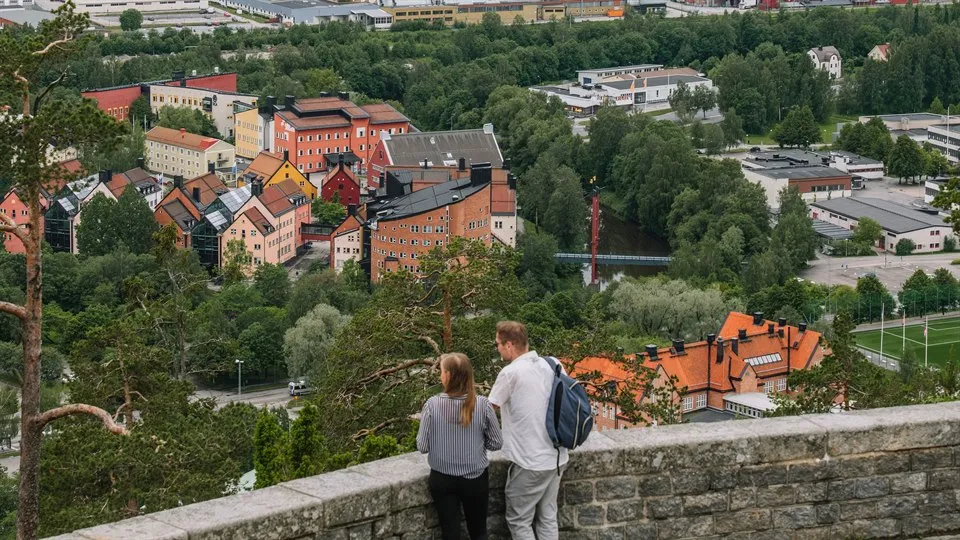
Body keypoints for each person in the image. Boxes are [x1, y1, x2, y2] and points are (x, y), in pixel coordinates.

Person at [489, 321, 568, 540]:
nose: (496, 348)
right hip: (557, 456)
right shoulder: (553, 364)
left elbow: (488, 410)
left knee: (518, 519)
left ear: (509, 345)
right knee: (547, 517)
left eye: (498, 344)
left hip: (530, 460)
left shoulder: (510, 373)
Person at [417, 353, 502, 540]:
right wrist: (477, 446)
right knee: (479, 531)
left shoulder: (432, 405)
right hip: (475, 478)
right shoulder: (482, 405)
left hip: (442, 478)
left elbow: (422, 446)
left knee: (450, 533)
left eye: (441, 372)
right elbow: (497, 443)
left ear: (447, 376)